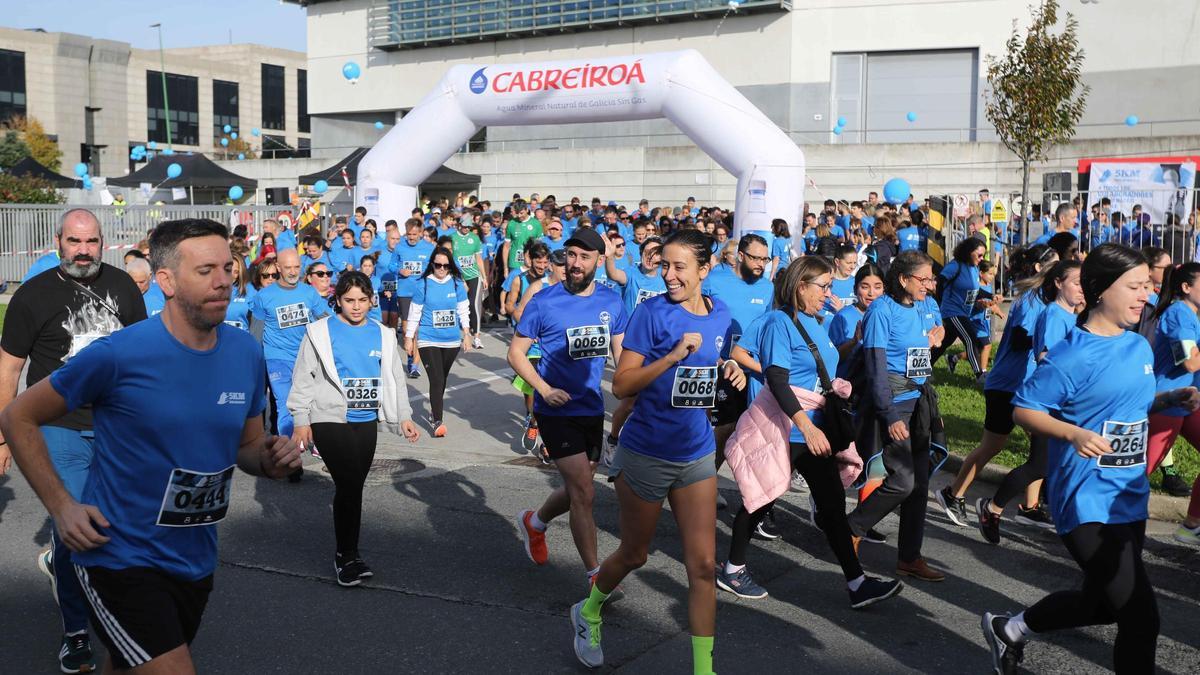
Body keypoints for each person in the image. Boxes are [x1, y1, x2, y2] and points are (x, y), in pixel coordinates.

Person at [0, 218, 302, 674]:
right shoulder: (118, 354)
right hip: (117, 555)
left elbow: (249, 445)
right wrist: (62, 507)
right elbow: (18, 414)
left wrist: (268, 459)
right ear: (166, 282)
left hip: (194, 556)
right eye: (205, 271)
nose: (223, 280)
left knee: (127, 664)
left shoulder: (245, 352)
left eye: (227, 267)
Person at [982, 243, 1200, 675]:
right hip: (1086, 502)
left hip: (1128, 496)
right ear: (1101, 289)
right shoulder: (1073, 354)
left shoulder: (1137, 346)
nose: (1147, 295)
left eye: (1148, 286)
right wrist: (1074, 433)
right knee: (1141, 617)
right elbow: (1025, 407)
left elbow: (1128, 406)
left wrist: (1167, 398)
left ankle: (1010, 629)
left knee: (1101, 604)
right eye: (1136, 286)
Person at [569, 229, 742, 673]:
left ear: (705, 270)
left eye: (679, 266)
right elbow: (623, 385)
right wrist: (669, 358)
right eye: (664, 264)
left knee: (703, 566)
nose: (668, 274)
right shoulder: (650, 314)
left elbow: (718, 356)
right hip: (646, 452)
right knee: (635, 553)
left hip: (697, 453)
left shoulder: (720, 314)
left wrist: (730, 367)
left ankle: (704, 670)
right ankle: (588, 612)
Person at [0, 208, 146, 673]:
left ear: (103, 242)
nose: (83, 251)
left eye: (91, 242)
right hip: (58, 427)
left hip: (116, 428)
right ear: (58, 241)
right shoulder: (32, 295)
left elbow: (142, 358)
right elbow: (8, 370)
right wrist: (4, 436)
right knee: (78, 528)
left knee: (119, 526)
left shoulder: (124, 287)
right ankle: (77, 631)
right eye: (74, 242)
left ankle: (100, 600)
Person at [717, 256, 902, 608]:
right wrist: (804, 424)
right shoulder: (778, 322)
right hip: (790, 429)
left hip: (815, 429)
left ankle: (857, 583)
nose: (829, 294)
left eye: (830, 286)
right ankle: (732, 569)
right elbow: (777, 378)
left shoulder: (817, 322)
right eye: (823, 286)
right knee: (762, 499)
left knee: (832, 507)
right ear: (801, 286)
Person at [511, 228, 628, 585]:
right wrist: (544, 390)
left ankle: (535, 521)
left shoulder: (612, 302)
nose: (575, 264)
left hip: (591, 407)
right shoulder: (544, 301)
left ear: (598, 261)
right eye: (571, 256)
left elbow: (621, 357)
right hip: (555, 410)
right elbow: (515, 353)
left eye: (584, 257)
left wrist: (632, 393)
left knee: (581, 486)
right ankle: (595, 575)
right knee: (584, 493)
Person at [289, 271, 420, 586]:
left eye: (363, 300)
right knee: (348, 483)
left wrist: (404, 415)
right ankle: (345, 557)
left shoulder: (383, 333)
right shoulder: (319, 332)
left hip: (366, 421)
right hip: (329, 418)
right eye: (349, 300)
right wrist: (300, 420)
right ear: (338, 300)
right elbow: (304, 377)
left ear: (372, 300)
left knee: (354, 488)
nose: (357, 306)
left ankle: (351, 552)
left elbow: (394, 379)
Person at [936, 245, 1059, 527]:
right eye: (1055, 263)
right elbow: (1017, 340)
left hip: (1028, 387)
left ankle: (1029, 507)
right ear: (1040, 269)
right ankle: (952, 493)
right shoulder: (1032, 300)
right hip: (1008, 385)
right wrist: (1051, 343)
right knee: (993, 446)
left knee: (1041, 446)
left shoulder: (1046, 301)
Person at [846, 250, 948, 582]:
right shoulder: (881, 310)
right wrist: (889, 414)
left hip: (920, 403)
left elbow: (939, 328)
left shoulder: (923, 305)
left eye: (932, 279)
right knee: (902, 481)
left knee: (919, 485)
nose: (930, 285)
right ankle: (850, 527)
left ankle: (909, 557)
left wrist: (939, 334)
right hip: (893, 404)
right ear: (903, 279)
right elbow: (875, 367)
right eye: (924, 279)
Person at [976, 260, 1083, 543]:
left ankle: (1066, 518)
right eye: (1076, 283)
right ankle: (993, 507)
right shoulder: (1053, 314)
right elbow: (1045, 358)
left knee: (1058, 462)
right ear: (1059, 283)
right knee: (1040, 465)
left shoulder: (1075, 317)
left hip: (1066, 402)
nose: (1082, 290)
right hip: (1046, 402)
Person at [249, 248, 332, 446]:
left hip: (306, 358)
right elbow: (256, 333)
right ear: (278, 267)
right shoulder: (264, 296)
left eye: (297, 267)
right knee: (285, 405)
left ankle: (310, 440)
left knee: (310, 405)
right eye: (288, 268)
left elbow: (327, 319)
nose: (293, 272)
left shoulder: (309, 292)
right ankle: (290, 454)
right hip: (277, 358)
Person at [1145, 263, 1200, 517]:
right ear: (1186, 287)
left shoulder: (1190, 314)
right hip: (1165, 401)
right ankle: (1091, 518)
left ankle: (1192, 525)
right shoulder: (1179, 313)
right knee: (1137, 471)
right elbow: (1188, 361)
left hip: (1188, 402)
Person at [404, 247, 472, 437]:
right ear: (432, 265)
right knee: (436, 379)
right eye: (437, 265)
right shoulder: (423, 284)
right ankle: (438, 421)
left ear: (450, 266)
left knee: (441, 379)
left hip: (451, 341)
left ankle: (434, 409)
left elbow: (463, 310)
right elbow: (414, 313)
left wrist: (466, 333)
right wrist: (409, 338)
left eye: (445, 265)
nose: (441, 269)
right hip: (428, 339)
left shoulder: (457, 284)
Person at [390, 218, 437, 379]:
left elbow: (435, 267)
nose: (411, 237)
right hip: (405, 292)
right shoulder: (399, 247)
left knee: (417, 329)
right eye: (409, 234)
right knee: (406, 330)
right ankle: (410, 356)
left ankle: (415, 365)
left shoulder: (429, 248)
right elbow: (391, 265)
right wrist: (400, 270)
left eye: (414, 234)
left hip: (422, 293)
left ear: (421, 233)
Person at [450, 215, 487, 349]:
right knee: (457, 305)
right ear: (459, 225)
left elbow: (478, 259)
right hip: (459, 277)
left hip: (474, 276)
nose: (466, 229)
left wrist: (484, 277)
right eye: (464, 226)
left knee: (474, 305)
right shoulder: (453, 238)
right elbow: (451, 258)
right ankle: (455, 335)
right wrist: (459, 277)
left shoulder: (475, 238)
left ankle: (476, 336)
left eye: (468, 227)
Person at [225, 254, 256, 331]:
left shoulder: (249, 290)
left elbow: (258, 320)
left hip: (242, 339)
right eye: (228, 270)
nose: (231, 275)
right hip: (219, 340)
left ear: (240, 273)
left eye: (236, 272)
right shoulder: (213, 289)